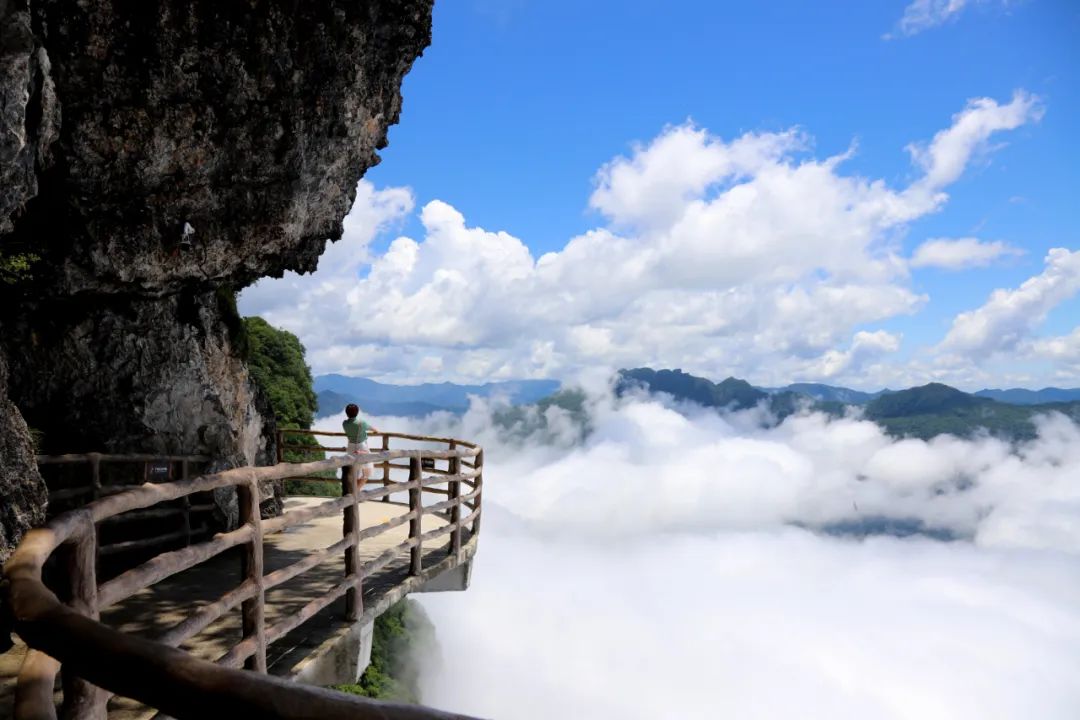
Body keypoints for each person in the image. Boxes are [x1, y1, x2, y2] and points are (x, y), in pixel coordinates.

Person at [342, 403, 378, 481]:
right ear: (357, 412)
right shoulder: (361, 423)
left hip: (350, 447)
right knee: (367, 472)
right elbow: (374, 429)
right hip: (361, 447)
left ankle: (353, 490)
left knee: (355, 470)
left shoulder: (344, 424)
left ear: (346, 413)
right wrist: (375, 431)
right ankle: (357, 490)